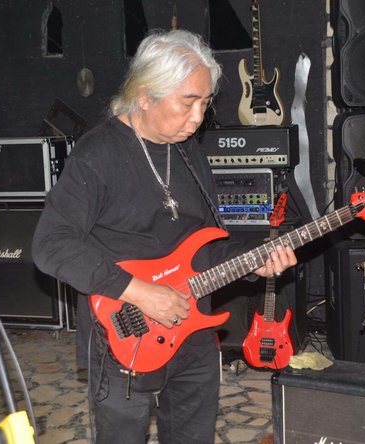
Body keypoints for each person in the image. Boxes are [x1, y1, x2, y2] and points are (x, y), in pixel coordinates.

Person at [32, 29, 297, 444]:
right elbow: (50, 245)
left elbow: (209, 245)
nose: (198, 117)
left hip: (194, 330)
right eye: (188, 102)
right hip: (125, 331)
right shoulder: (97, 154)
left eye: (205, 103)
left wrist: (254, 260)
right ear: (144, 96)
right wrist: (139, 291)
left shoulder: (190, 154)